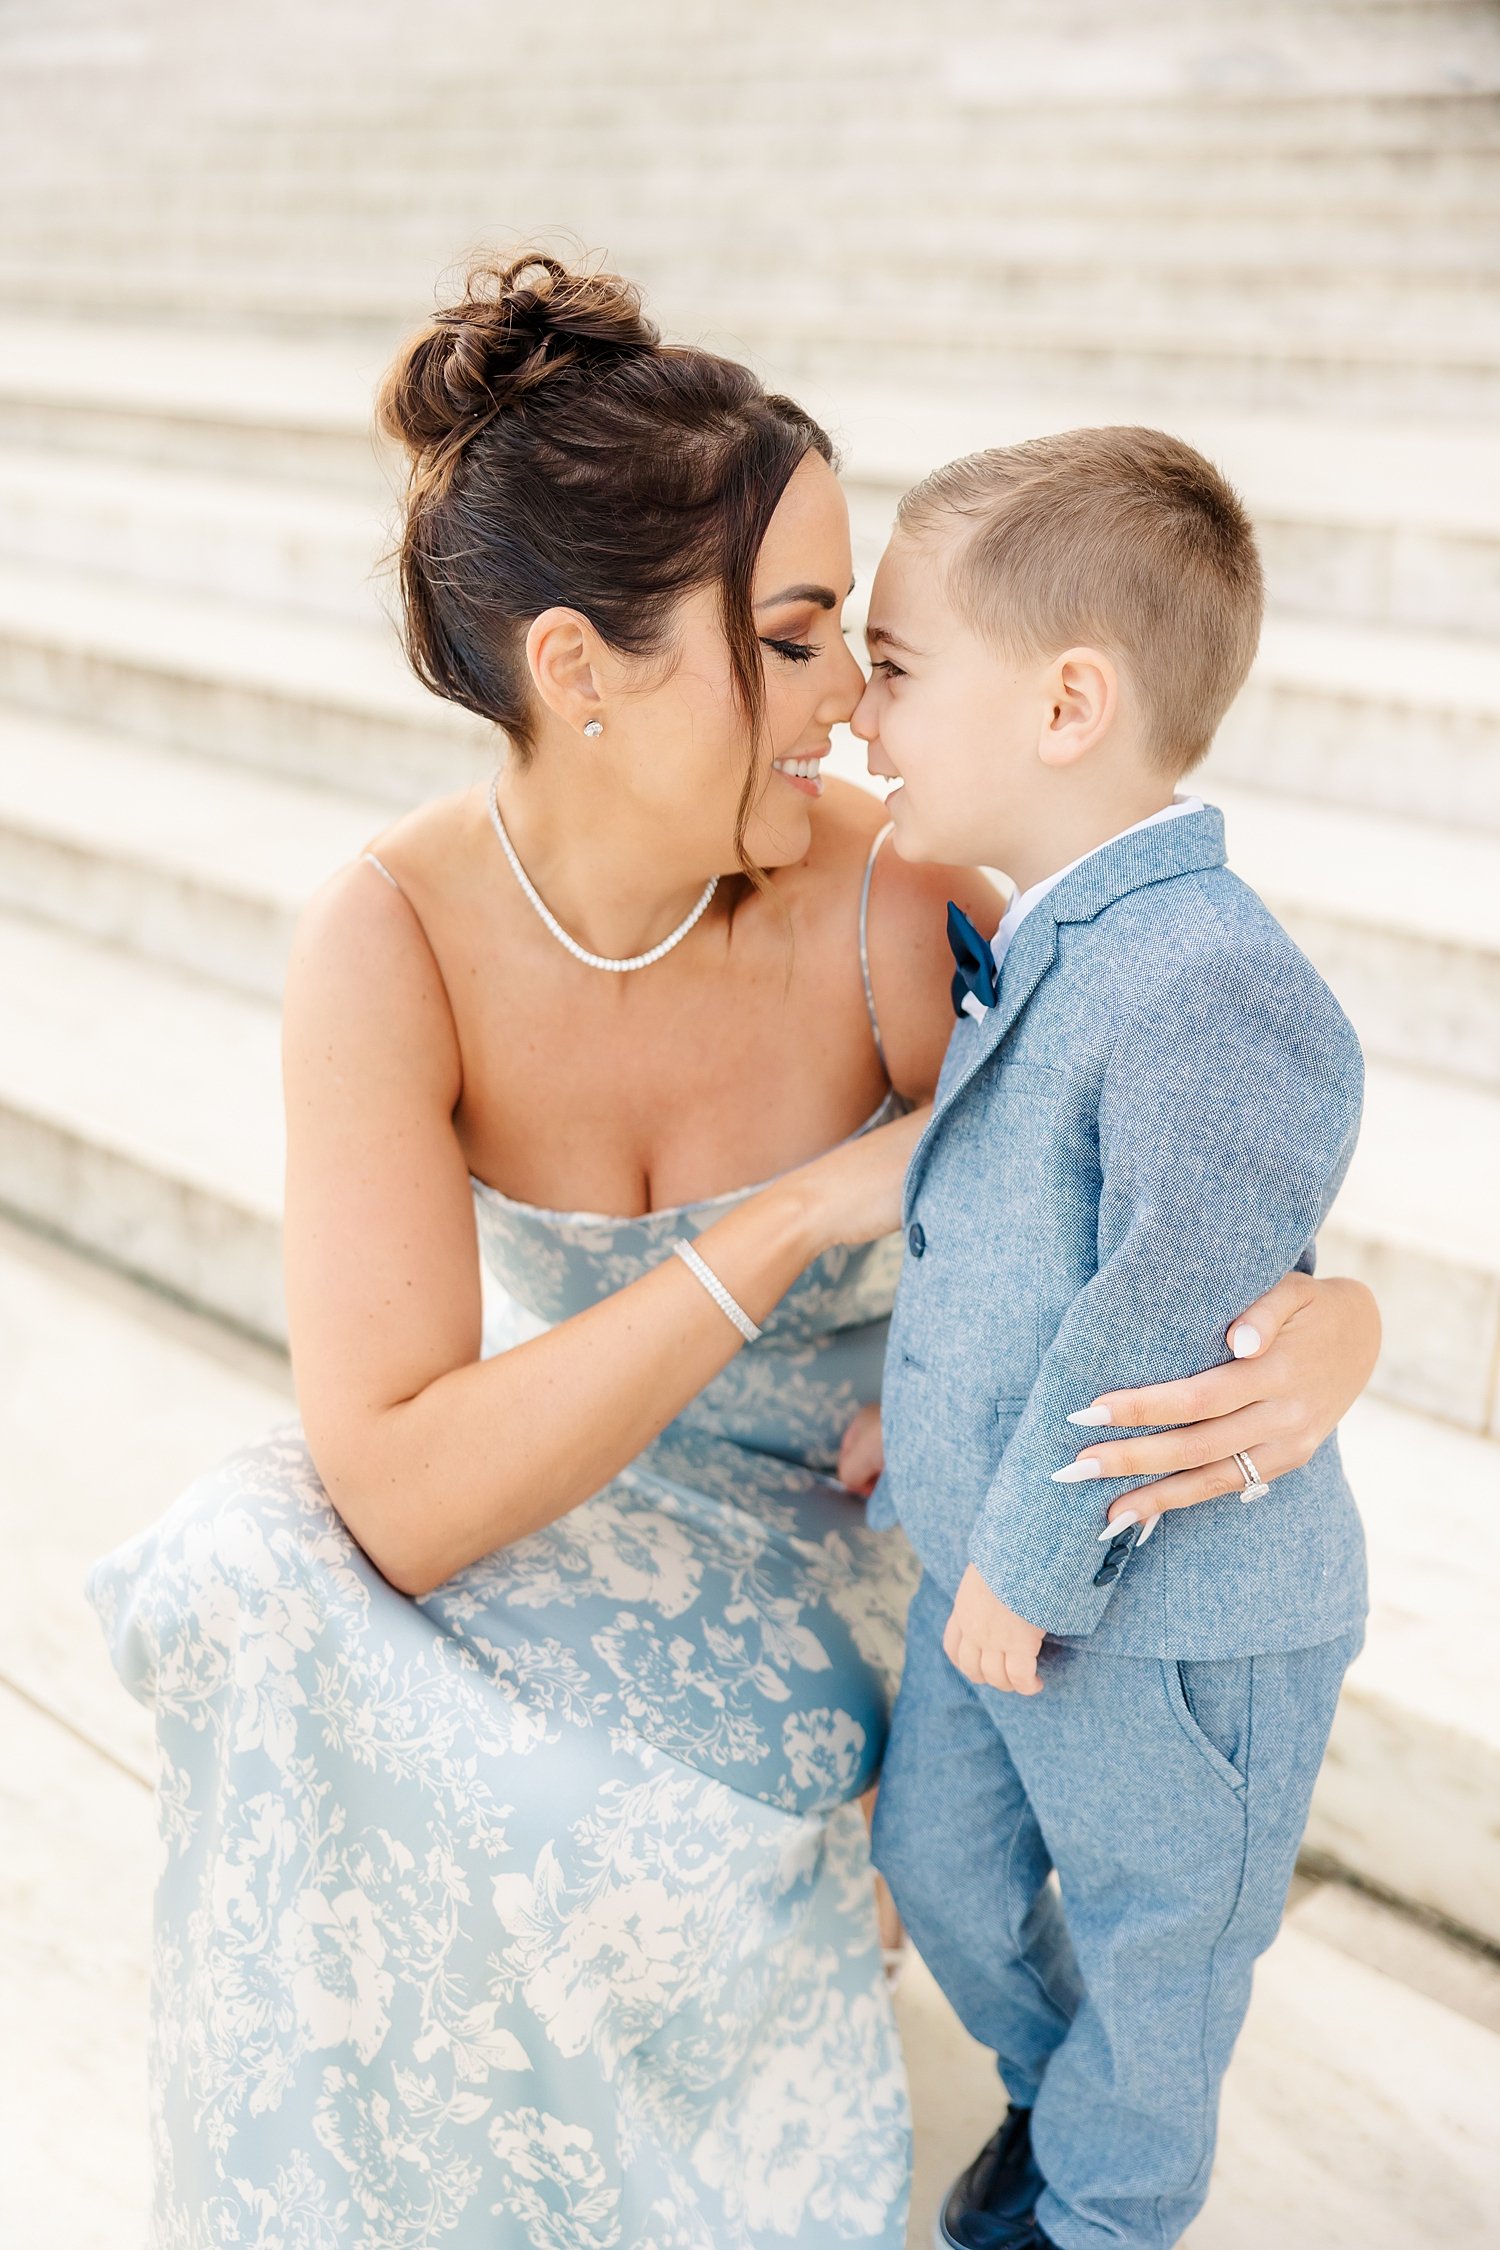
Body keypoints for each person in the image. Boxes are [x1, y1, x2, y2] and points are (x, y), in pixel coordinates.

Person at [85, 260, 1380, 2250]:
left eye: (856, 646)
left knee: (616, 1818)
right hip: (600, 1488)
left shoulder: (899, 897)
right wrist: (790, 1215)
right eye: (790, 644)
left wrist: (1337, 1322)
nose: (855, 703)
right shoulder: (392, 938)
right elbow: (405, 1493)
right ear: (578, 672)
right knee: (255, 1554)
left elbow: (1178, 1174)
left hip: (884, 1530)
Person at [858, 428, 1370, 2250]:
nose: (857, 708)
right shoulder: (1057, 933)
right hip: (995, 1559)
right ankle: (1063, 2111)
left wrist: (1027, 1549)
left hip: (1173, 1618)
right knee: (946, 1869)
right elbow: (1016, 1242)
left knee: (1168, 1966)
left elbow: (1157, 1303)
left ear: (1070, 701)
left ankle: (1099, 2211)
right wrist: (916, 1406)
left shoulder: (1211, 974)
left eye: (897, 667)